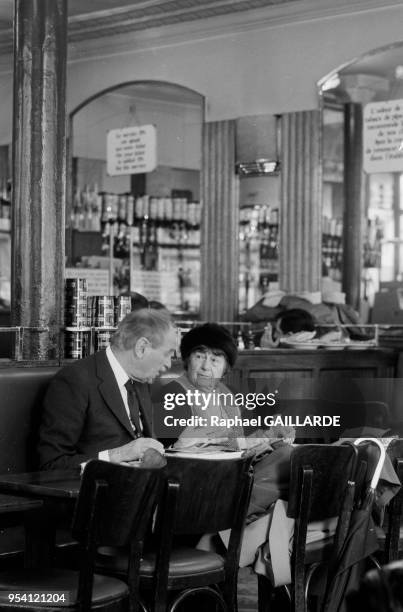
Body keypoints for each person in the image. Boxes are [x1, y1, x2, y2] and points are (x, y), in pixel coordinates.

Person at [38, 308, 177, 470]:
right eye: (167, 354)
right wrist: (116, 455)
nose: (169, 364)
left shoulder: (142, 380)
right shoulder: (76, 380)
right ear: (141, 348)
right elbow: (51, 463)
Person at [153, 322, 294, 453]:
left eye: (215, 360)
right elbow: (162, 450)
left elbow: (248, 435)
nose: (206, 367)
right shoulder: (173, 395)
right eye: (199, 357)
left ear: (226, 368)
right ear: (186, 360)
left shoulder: (228, 393)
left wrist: (275, 432)